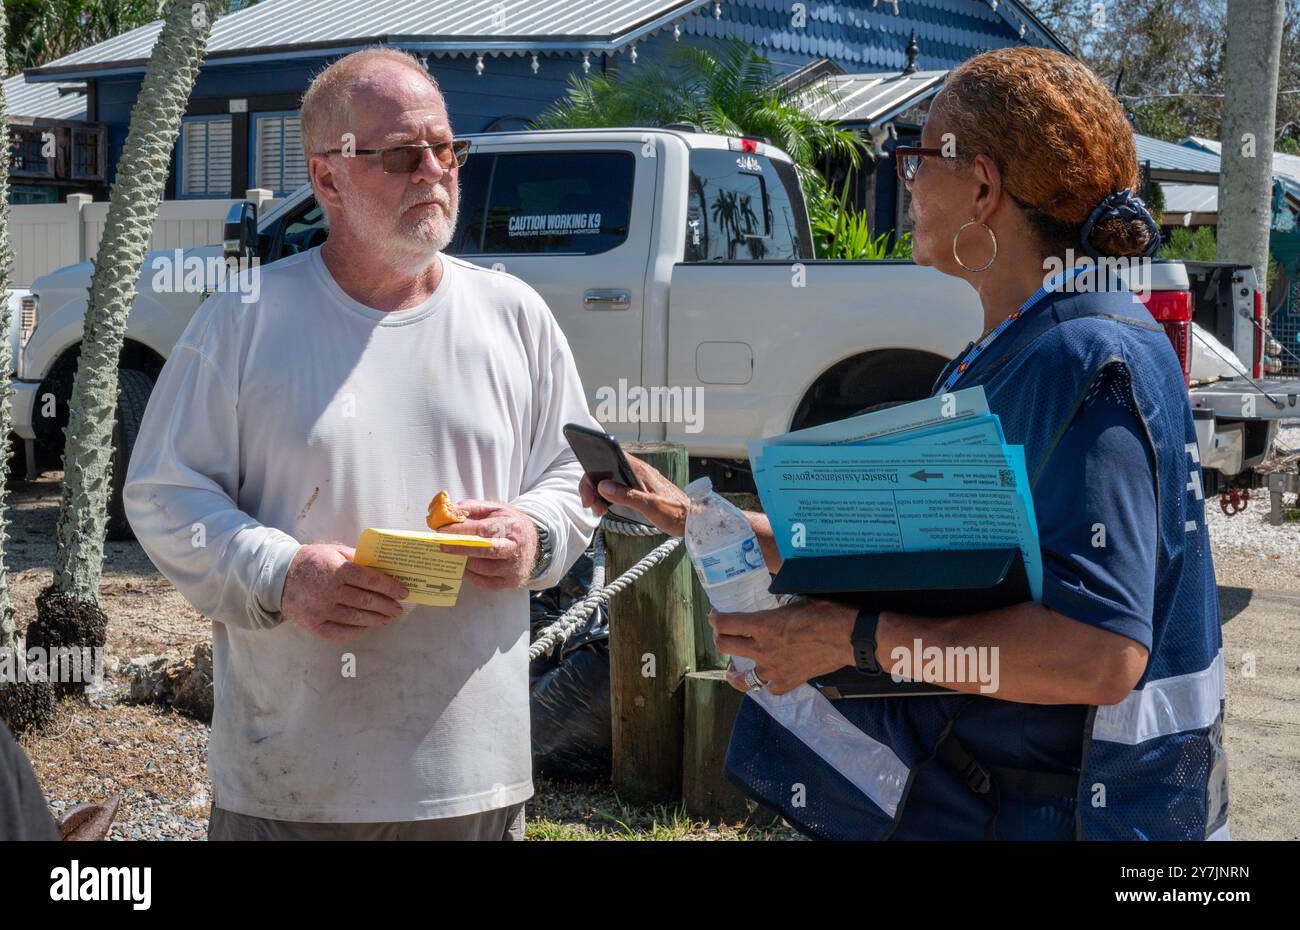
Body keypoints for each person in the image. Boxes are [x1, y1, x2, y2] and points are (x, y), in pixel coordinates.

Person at [582, 46, 1227, 841]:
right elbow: (921, 557)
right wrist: (692, 516)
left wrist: (854, 640)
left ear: (984, 188)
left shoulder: (1082, 357)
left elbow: (1097, 656)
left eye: (920, 156)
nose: (909, 181)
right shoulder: (1034, 343)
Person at [125, 47, 599, 840]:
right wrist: (283, 573)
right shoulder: (244, 318)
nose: (434, 171)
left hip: (473, 780)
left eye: (446, 148)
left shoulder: (513, 314)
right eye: (401, 154)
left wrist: (536, 534)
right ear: (327, 178)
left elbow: (568, 472)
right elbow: (165, 495)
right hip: (294, 786)